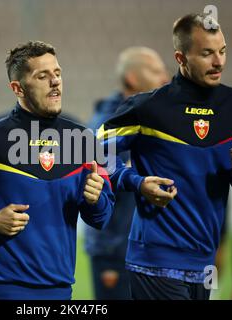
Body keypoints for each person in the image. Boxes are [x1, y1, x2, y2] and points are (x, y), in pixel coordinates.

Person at [0, 41, 115, 300]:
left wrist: (95, 200)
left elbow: (102, 217)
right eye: (42, 76)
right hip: (2, 292)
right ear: (18, 88)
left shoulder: (81, 140)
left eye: (57, 74)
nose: (55, 82)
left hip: (60, 293)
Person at [98, 13, 232, 300]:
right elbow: (89, 152)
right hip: (154, 262)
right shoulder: (147, 107)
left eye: (222, 51)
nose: (219, 62)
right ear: (181, 57)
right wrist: (136, 182)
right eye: (207, 53)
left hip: (205, 262)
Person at [84, 46, 168, 300]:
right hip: (115, 250)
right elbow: (102, 175)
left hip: (150, 248)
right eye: (155, 71)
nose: (165, 78)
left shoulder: (152, 119)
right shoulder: (106, 124)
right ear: (132, 78)